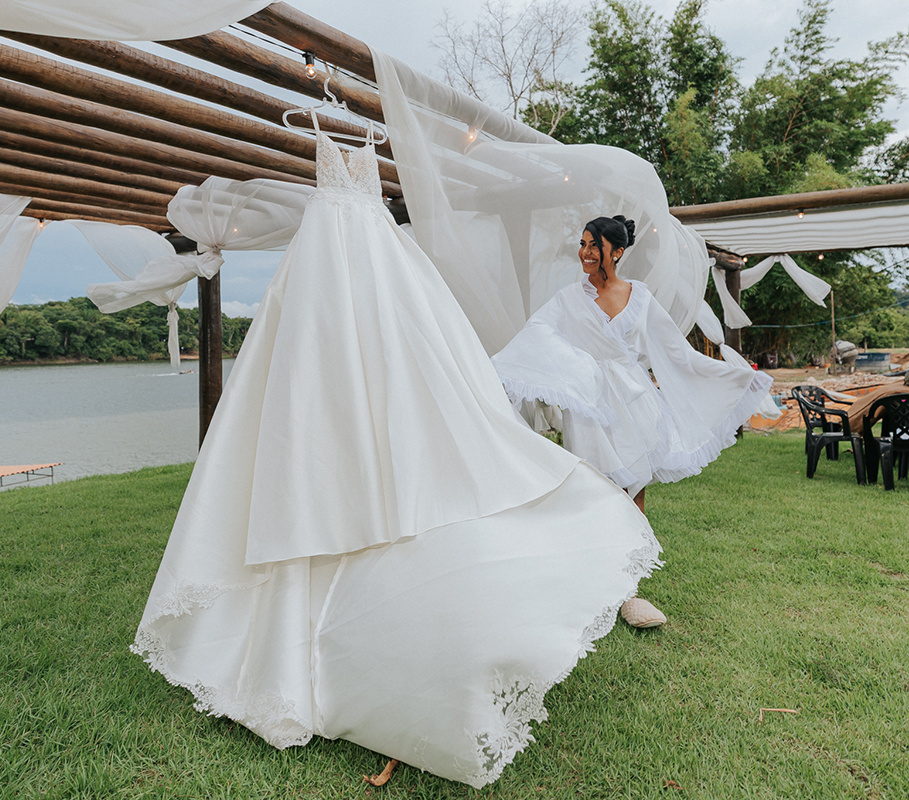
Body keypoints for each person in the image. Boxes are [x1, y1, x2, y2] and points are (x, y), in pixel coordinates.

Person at [131, 120, 662, 788]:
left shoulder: (362, 166)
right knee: (317, 397)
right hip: (332, 274)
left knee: (395, 397)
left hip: (368, 271)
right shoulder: (333, 160)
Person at [491, 216, 774, 625]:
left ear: (617, 252)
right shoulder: (568, 299)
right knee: (596, 491)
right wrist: (501, 371)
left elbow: (675, 351)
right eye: (583, 244)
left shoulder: (639, 297)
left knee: (634, 492)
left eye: (594, 245)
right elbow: (537, 335)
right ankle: (593, 581)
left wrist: (735, 377)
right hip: (591, 409)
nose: (585, 253)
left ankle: (629, 591)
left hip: (636, 404)